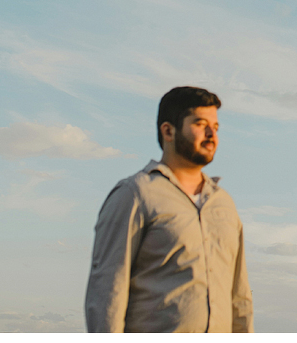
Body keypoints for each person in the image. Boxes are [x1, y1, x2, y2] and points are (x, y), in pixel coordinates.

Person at [84, 86, 253, 332]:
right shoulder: (135, 195)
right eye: (200, 124)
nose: (211, 134)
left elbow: (239, 296)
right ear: (168, 130)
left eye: (215, 127)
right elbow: (107, 292)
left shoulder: (224, 204)